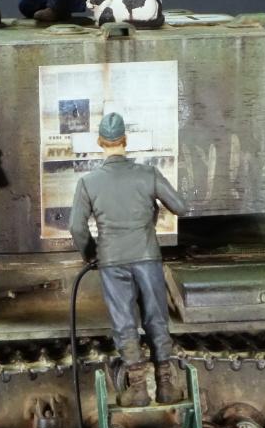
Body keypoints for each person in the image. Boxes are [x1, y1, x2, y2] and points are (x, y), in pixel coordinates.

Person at [68, 112, 189, 406]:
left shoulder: (88, 182)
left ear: (100, 142)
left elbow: (76, 227)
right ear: (125, 140)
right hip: (147, 256)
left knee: (124, 323)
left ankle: (137, 390)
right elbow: (181, 207)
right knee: (156, 318)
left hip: (111, 262)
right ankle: (166, 387)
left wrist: (91, 254)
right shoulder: (148, 174)